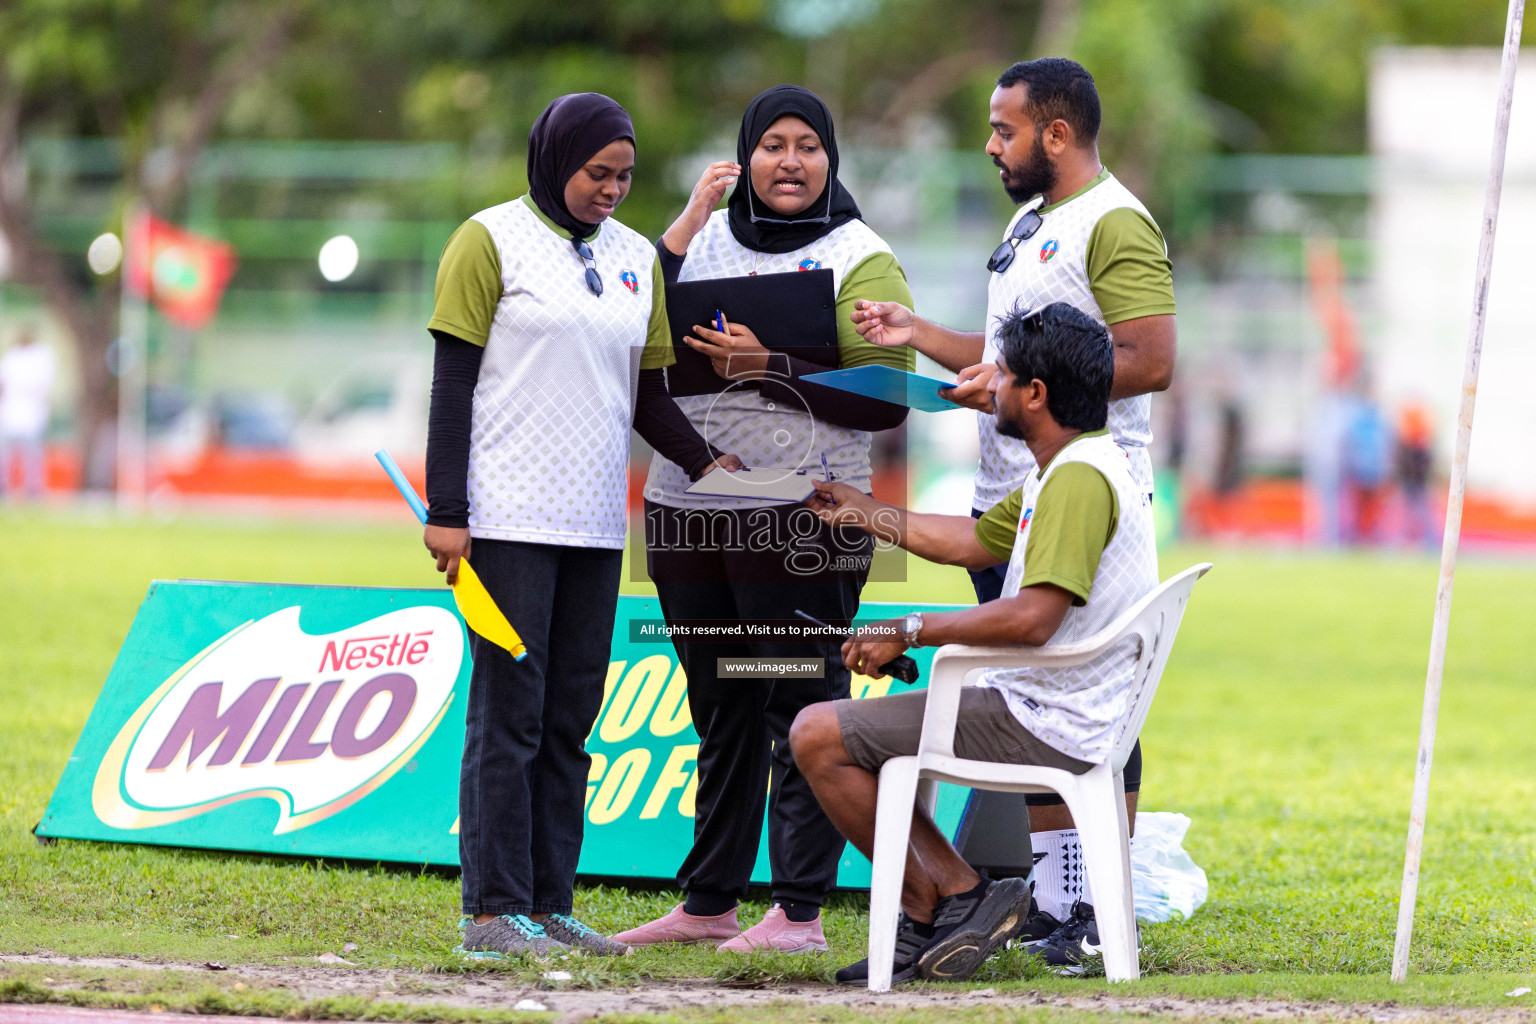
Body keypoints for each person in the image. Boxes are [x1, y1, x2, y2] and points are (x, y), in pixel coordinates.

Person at [847, 58, 1176, 945]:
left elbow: (1148, 358)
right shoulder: (1033, 220)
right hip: (1010, 498)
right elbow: (1004, 358)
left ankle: (1099, 909)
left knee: (1083, 689)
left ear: (1056, 134)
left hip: (1083, 490)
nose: (992, 145)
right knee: (1031, 698)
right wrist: (922, 339)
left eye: (1005, 129)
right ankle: (1058, 900)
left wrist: (1025, 386)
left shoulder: (1114, 222)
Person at [423, 92, 740, 960]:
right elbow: (453, 385)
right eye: (598, 173)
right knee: (509, 716)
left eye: (625, 177)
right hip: (507, 520)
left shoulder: (637, 258)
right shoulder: (487, 240)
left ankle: (551, 904)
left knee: (571, 720)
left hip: (597, 527)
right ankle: (492, 911)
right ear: (555, 158)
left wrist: (711, 463)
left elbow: (646, 396)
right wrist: (448, 512)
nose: (611, 189)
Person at [612, 85, 915, 954]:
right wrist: (686, 217)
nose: (791, 161)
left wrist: (768, 362)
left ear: (831, 159)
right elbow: (633, 331)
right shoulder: (701, 237)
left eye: (808, 146)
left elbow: (887, 402)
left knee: (796, 703)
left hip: (805, 519)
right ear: (746, 155)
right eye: (773, 145)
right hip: (690, 512)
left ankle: (800, 913)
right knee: (722, 706)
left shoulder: (863, 255)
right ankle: (708, 903)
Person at [790, 302, 1158, 983]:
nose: (991, 387)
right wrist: (866, 512)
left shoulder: (1077, 479)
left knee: (816, 733)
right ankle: (945, 900)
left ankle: (952, 895)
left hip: (1046, 717)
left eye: (1004, 376)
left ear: (1036, 395)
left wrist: (913, 628)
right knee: (835, 731)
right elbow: (971, 543)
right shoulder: (1070, 465)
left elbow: (1031, 619)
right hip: (1048, 703)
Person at [0, 328, 56, 499]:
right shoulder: (12, 357)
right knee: (8, 453)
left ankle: (32, 488)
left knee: (32, 454)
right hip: (13, 411)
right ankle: (7, 485)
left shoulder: (39, 356)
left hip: (30, 411)